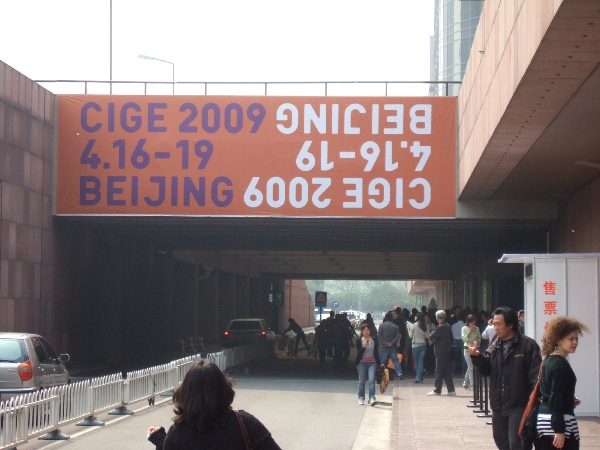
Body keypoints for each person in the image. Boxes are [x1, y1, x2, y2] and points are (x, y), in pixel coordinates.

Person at [147, 360, 281, 450]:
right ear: (224, 389)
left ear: (186, 394)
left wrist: (160, 441)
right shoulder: (245, 423)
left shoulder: (177, 435)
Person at [469, 306, 542, 450]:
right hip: (498, 404)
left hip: (519, 404)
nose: (495, 328)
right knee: (500, 441)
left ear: (510, 324)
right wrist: (477, 357)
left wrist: (534, 401)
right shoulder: (495, 345)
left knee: (517, 442)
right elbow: (486, 370)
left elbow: (535, 376)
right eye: (494, 324)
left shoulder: (528, 345)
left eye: (498, 324)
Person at [537, 316, 589, 450]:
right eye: (571, 339)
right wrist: (559, 429)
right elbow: (556, 397)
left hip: (543, 420)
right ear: (558, 340)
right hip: (560, 421)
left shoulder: (548, 360)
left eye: (576, 339)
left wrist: (569, 399)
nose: (575, 342)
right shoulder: (561, 365)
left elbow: (548, 392)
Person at [427, 309, 456, 396]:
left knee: (439, 371)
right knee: (446, 371)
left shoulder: (441, 327)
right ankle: (451, 390)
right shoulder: (447, 325)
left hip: (440, 351)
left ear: (437, 317)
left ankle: (437, 389)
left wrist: (435, 339)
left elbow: (431, 336)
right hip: (446, 350)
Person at [355, 322, 382, 405]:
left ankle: (372, 397)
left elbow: (376, 353)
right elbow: (359, 354)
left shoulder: (374, 340)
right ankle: (361, 398)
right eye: (364, 330)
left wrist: (379, 363)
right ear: (362, 332)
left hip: (372, 363)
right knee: (362, 381)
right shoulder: (359, 341)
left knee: (371, 380)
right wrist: (363, 347)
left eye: (367, 330)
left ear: (370, 331)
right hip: (362, 363)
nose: (366, 332)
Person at [378, 311, 403, 380]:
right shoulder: (395, 326)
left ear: (385, 318)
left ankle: (383, 375)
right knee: (395, 360)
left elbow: (379, 336)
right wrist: (392, 343)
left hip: (383, 346)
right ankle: (399, 374)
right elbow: (397, 336)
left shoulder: (381, 326)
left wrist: (384, 343)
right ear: (391, 318)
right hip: (392, 347)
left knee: (383, 361)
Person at [461, 313, 481, 391]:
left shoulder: (477, 329)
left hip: (474, 349)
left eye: (474, 322)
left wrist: (477, 343)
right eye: (471, 322)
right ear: (468, 322)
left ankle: (465, 383)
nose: (473, 323)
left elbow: (479, 338)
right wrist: (470, 331)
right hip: (467, 349)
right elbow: (464, 339)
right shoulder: (464, 328)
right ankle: (473, 384)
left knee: (470, 367)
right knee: (471, 367)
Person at [408, 312, 428, 383]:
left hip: (415, 345)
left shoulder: (413, 325)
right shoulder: (425, 326)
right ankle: (420, 377)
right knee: (421, 361)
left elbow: (410, 336)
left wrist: (408, 329)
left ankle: (418, 378)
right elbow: (427, 336)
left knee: (416, 362)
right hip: (423, 345)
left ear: (417, 317)